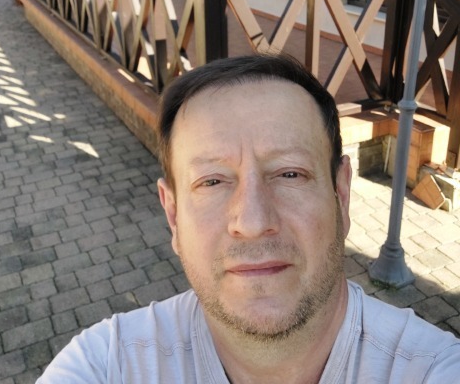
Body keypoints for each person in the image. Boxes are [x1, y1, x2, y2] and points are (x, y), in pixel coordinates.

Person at [37, 54, 460, 383]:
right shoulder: (106, 364)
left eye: (290, 174)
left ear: (342, 195)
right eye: (212, 181)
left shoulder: (431, 368)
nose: (254, 222)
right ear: (173, 215)